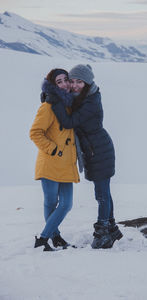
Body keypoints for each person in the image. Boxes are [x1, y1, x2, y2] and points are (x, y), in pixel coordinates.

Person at [45, 64, 123, 249]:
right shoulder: (83, 97)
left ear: (87, 82)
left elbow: (69, 121)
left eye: (79, 81)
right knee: (104, 192)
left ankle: (103, 232)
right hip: (94, 150)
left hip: (99, 151)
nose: (74, 85)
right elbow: (69, 104)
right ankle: (110, 227)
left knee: (102, 194)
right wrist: (52, 97)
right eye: (72, 81)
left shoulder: (91, 102)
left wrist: (54, 101)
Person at [30, 69, 80, 251]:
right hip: (51, 162)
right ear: (53, 85)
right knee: (51, 203)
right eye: (59, 81)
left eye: (66, 80)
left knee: (66, 204)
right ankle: (51, 238)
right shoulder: (48, 106)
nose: (65, 84)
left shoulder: (69, 106)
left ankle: (47, 237)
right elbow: (35, 133)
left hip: (66, 164)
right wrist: (54, 150)